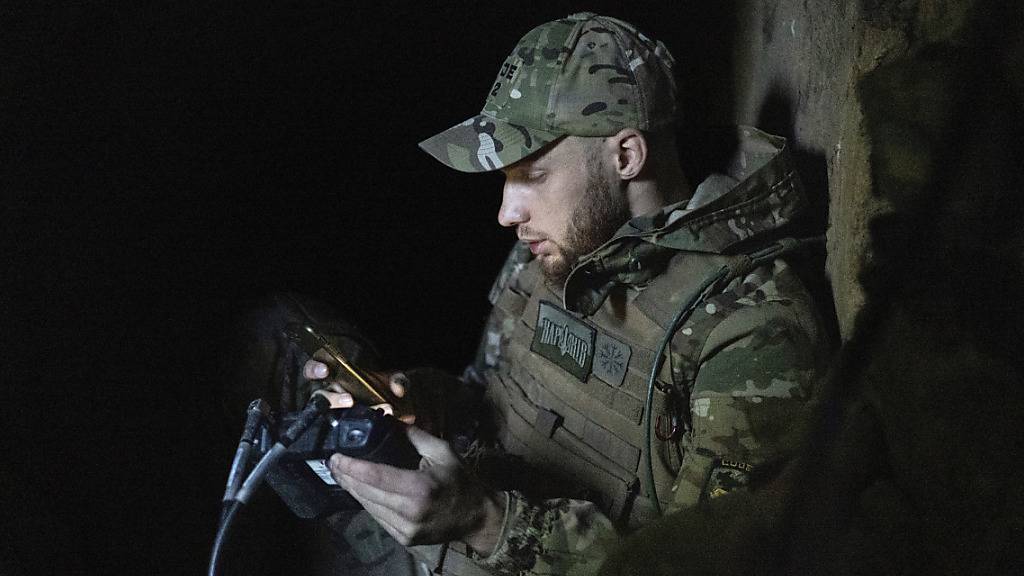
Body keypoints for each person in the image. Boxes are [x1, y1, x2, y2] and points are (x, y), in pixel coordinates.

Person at [303, 12, 830, 576]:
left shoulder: (751, 330)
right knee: (280, 332)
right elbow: (489, 400)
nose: (507, 213)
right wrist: (410, 406)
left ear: (626, 156)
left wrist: (486, 524)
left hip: (474, 549)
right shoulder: (554, 251)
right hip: (443, 551)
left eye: (532, 175)